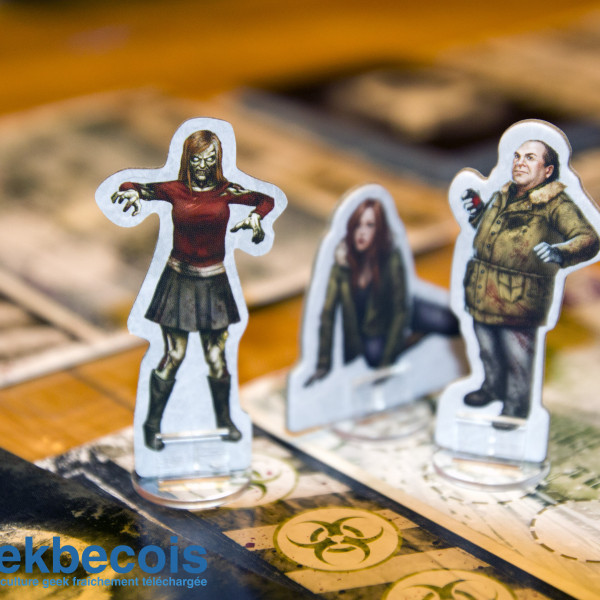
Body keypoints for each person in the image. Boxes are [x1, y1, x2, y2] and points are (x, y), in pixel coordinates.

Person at [111, 130, 274, 450]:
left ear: (218, 161)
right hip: (180, 281)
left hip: (215, 281)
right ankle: (152, 425)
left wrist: (257, 217)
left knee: (217, 359)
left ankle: (224, 421)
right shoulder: (175, 190)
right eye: (198, 160)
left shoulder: (227, 191)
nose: (203, 166)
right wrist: (131, 194)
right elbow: (132, 185)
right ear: (187, 159)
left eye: (210, 160)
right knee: (174, 355)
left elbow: (265, 199)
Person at [461, 139, 599, 427]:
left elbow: (588, 239)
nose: (520, 163)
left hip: (521, 294)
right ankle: (491, 387)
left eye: (530, 158)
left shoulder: (557, 204)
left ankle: (516, 406)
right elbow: (489, 233)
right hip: (484, 287)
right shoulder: (503, 193)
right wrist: (476, 212)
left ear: (548, 170)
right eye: (518, 156)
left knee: (517, 355)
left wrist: (560, 253)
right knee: (486, 345)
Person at [305, 199, 458, 386]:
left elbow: (401, 308)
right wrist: (322, 365)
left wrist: (391, 355)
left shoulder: (391, 255)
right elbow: (327, 315)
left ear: (378, 230)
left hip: (404, 309)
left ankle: (414, 340)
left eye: (369, 225)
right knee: (375, 356)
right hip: (372, 329)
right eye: (358, 225)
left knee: (451, 321)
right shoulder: (341, 266)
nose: (362, 232)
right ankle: (407, 344)